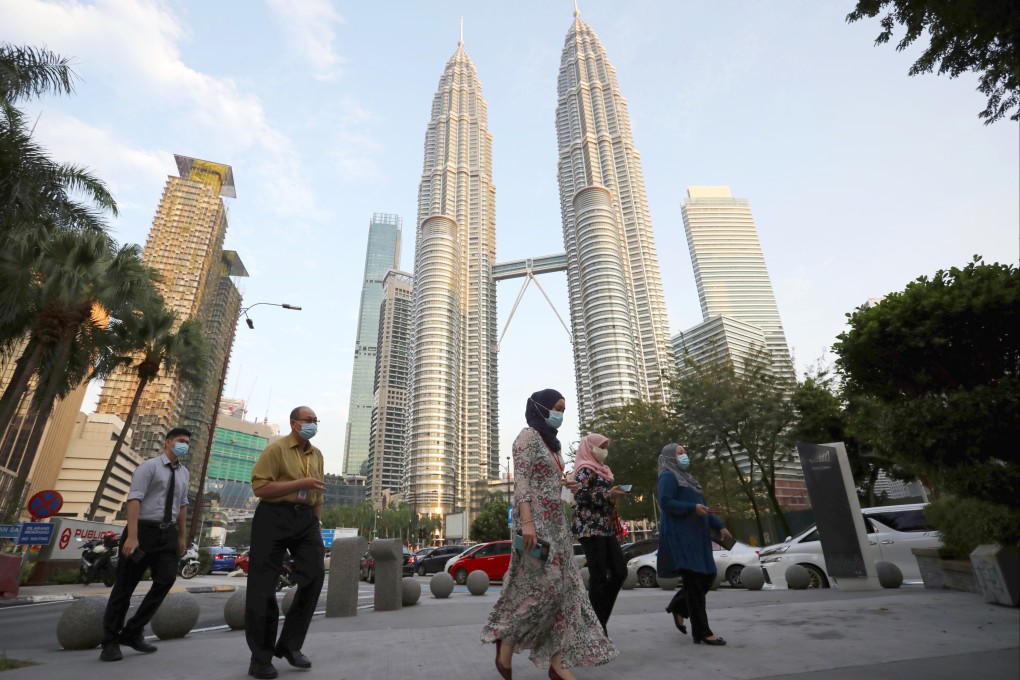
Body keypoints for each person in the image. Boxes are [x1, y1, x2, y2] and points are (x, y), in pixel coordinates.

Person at [482, 389, 617, 680]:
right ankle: (505, 637)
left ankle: (558, 663)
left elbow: (546, 478)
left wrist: (565, 481)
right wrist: (527, 523)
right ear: (541, 408)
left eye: (564, 410)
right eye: (556, 408)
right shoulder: (527, 436)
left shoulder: (552, 445)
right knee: (548, 588)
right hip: (536, 524)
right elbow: (523, 482)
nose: (560, 414)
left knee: (565, 592)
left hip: (557, 524)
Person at [245, 406, 326, 680]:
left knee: (314, 574)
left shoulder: (317, 455)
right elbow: (260, 488)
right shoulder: (276, 450)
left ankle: (290, 645)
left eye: (316, 420)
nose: (313, 424)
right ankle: (260, 658)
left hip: (306, 520)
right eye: (308, 420)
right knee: (262, 585)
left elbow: (317, 493)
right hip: (273, 517)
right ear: (294, 423)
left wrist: (317, 522)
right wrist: (298, 482)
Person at [100, 427, 191, 662]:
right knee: (124, 587)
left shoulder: (184, 473)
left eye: (187, 442)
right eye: (181, 441)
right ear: (168, 442)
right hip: (142, 531)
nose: (185, 445)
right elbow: (134, 499)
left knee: (166, 580)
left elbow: (182, 506)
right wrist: (132, 535)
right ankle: (110, 642)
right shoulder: (148, 467)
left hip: (167, 534)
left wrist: (182, 536)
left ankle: (132, 631)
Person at [657, 443, 732, 646]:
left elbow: (703, 507)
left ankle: (679, 607)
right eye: (680, 453)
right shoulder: (668, 476)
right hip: (682, 537)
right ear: (670, 457)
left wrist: (720, 525)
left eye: (684, 452)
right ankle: (703, 632)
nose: (684, 455)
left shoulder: (689, 480)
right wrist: (692, 508)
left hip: (698, 536)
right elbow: (665, 502)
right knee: (695, 582)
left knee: (708, 576)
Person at [570, 433, 628, 635]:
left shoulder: (604, 471)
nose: (604, 450)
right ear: (589, 447)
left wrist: (612, 496)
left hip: (606, 527)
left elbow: (600, 497)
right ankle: (596, 629)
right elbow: (580, 495)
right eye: (600, 446)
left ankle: (594, 621)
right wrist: (607, 494)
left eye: (605, 446)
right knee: (599, 576)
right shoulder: (584, 469)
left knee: (620, 572)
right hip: (590, 529)